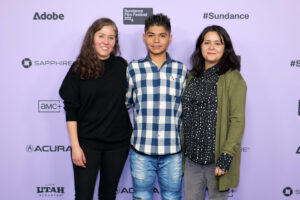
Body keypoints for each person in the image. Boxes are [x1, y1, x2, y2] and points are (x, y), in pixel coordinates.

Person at [59, 18, 132, 200]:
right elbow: (71, 110)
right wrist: (75, 146)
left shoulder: (121, 65)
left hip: (118, 144)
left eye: (111, 37)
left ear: (115, 41)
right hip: (87, 145)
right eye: (101, 36)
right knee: (83, 195)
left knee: (108, 195)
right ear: (92, 37)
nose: (106, 42)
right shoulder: (78, 69)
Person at [125, 14, 188, 200]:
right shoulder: (133, 69)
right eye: (151, 35)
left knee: (172, 196)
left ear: (170, 38)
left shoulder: (181, 70)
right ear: (144, 37)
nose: (156, 40)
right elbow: (125, 102)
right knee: (142, 196)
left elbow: (187, 109)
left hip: (173, 151)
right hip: (141, 150)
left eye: (162, 35)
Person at [182, 25, 247, 200]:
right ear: (200, 46)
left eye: (217, 43)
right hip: (192, 161)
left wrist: (226, 157)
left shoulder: (233, 78)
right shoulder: (192, 76)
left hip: (217, 162)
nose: (211, 47)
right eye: (207, 42)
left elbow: (237, 121)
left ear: (225, 48)